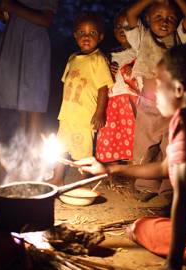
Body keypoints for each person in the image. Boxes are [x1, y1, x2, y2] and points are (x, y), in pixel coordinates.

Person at [75, 44, 186, 269]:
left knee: (140, 228)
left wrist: (174, 261)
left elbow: (185, 199)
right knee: (149, 226)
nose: (154, 91)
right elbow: (164, 168)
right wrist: (110, 168)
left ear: (179, 90)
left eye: (159, 84)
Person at [125, 0, 186, 202]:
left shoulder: (180, 38)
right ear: (148, 19)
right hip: (148, 106)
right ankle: (145, 184)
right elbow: (131, 14)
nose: (164, 22)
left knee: (170, 146)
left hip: (173, 107)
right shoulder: (141, 37)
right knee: (144, 147)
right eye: (158, 17)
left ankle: (169, 186)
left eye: (170, 18)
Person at [48, 12, 114, 186]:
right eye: (82, 33)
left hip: (84, 118)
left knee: (83, 152)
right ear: (75, 35)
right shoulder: (72, 59)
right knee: (60, 147)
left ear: (100, 37)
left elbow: (103, 88)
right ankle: (57, 177)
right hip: (67, 115)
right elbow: (66, 84)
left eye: (92, 33)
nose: (86, 37)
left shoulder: (98, 59)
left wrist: (99, 112)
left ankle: (83, 182)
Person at [0, 0, 57, 144]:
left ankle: (33, 155)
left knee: (33, 103)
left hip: (33, 46)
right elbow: (11, 18)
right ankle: (19, 152)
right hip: (14, 43)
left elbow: (46, 20)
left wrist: (12, 6)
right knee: (18, 104)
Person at [95, 8, 139, 163]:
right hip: (112, 102)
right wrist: (108, 72)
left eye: (127, 27)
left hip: (131, 102)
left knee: (132, 135)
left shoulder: (139, 52)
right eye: (118, 27)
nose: (122, 30)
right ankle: (111, 171)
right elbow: (102, 81)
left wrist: (133, 71)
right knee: (110, 135)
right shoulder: (110, 55)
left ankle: (132, 170)